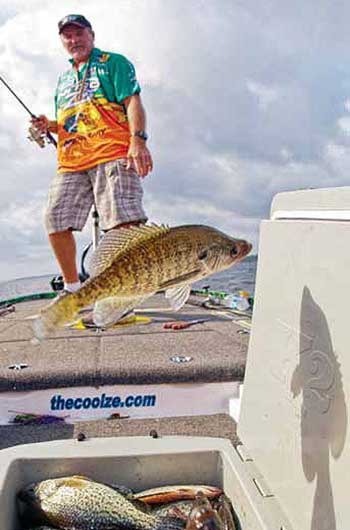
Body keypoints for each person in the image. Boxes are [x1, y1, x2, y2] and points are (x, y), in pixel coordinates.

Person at [31, 14, 153, 293]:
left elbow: (132, 101)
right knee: (55, 218)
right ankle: (73, 290)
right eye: (68, 36)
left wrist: (138, 140)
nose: (74, 40)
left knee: (123, 224)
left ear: (91, 35)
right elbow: (70, 122)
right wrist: (47, 125)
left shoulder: (114, 63)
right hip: (72, 161)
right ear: (62, 41)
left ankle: (123, 296)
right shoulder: (62, 80)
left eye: (79, 33)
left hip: (112, 153)